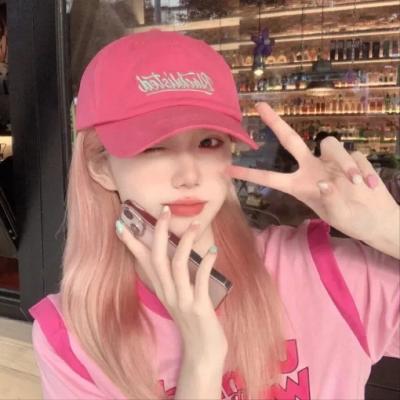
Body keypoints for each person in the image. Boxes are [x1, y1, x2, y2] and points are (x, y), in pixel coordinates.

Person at [28, 30, 399, 400]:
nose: (189, 176)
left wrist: (386, 228)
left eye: (209, 142)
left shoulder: (322, 273)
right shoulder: (72, 340)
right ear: (101, 168)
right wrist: (202, 360)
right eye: (153, 147)